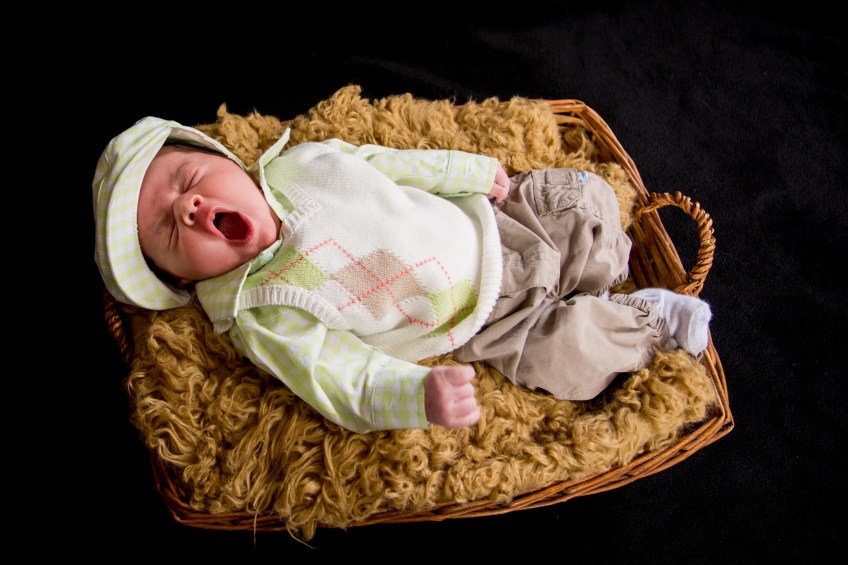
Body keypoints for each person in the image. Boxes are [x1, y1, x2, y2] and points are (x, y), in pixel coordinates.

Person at [93, 116, 712, 434]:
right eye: (171, 233)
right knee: (567, 356)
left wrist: (466, 172)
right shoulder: (264, 311)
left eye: (189, 181)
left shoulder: (303, 163)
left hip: (492, 224)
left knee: (586, 201)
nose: (189, 207)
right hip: (482, 319)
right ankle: (644, 318)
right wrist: (415, 397)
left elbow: (391, 165)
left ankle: (607, 275)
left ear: (223, 161)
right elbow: (340, 379)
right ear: (182, 281)